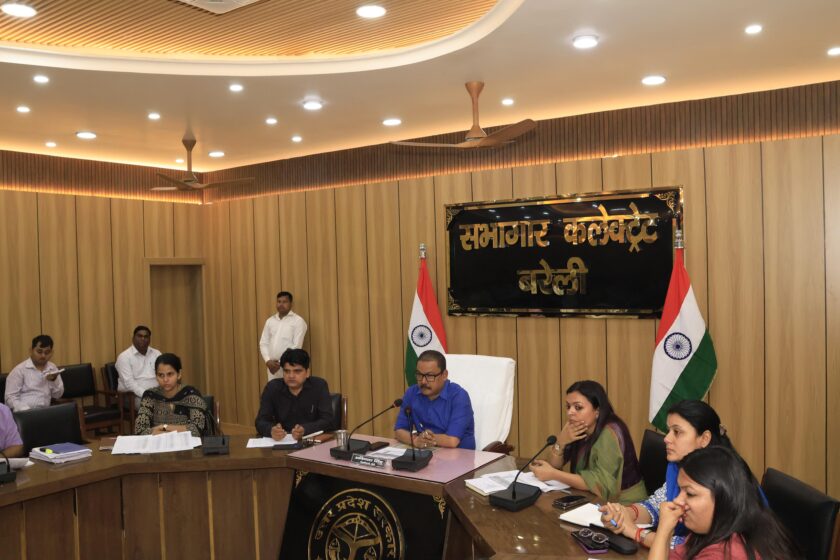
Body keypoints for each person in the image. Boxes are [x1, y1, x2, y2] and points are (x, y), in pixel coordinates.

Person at [599, 400, 737, 548]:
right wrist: (624, 514)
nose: (666, 439)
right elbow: (658, 505)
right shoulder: (677, 466)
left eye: (677, 432)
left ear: (704, 439)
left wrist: (635, 532)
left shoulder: (722, 480)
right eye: (668, 431)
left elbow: (694, 548)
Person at [649, 446, 801, 560]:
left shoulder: (727, 553)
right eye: (680, 490)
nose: (677, 500)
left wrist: (663, 532)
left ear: (724, 498)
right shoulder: (714, 530)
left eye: (690, 493)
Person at [530, 380, 646, 503]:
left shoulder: (610, 433)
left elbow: (602, 484)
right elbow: (554, 465)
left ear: (597, 411)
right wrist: (561, 442)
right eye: (568, 406)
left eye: (578, 407)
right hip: (593, 497)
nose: (570, 412)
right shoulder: (578, 428)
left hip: (626, 504)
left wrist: (554, 474)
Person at [394, 350, 475, 450]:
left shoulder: (459, 396)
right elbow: (399, 430)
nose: (423, 381)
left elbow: (452, 441)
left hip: (459, 455)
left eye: (429, 376)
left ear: (444, 375)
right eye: (419, 375)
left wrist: (424, 438)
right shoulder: (412, 393)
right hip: (426, 452)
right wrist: (415, 440)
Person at [255, 348, 333, 441]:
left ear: (307, 373)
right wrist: (271, 430)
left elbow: (328, 421)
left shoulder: (319, 386)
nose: (291, 376)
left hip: (311, 442)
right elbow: (260, 421)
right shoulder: (273, 388)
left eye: (297, 371)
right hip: (282, 442)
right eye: (287, 371)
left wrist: (305, 429)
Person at [134, 353, 207, 437]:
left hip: (186, 444)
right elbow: (140, 430)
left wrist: (164, 427)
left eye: (170, 374)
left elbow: (197, 430)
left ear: (179, 374)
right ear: (156, 376)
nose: (165, 379)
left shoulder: (191, 394)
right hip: (158, 444)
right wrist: (178, 431)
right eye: (161, 375)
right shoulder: (150, 396)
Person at [4, 334, 64, 411]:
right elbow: (9, 398)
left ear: (52, 352)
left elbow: (57, 395)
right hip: (24, 413)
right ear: (31, 350)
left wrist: (53, 381)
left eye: (47, 352)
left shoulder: (52, 368)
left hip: (46, 411)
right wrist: (25, 410)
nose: (43, 356)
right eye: (39, 351)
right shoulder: (19, 370)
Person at [259, 291, 308, 382]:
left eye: (285, 302)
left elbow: (297, 346)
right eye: (279, 301)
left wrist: (280, 363)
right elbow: (263, 343)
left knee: (288, 390)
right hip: (271, 367)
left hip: (290, 366)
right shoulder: (270, 321)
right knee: (273, 389)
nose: (281, 304)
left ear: (291, 304)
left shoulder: (298, 321)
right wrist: (268, 361)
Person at [115, 325, 162, 408]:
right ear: (133, 338)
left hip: (157, 393)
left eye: (146, 336)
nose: (143, 339)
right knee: (159, 406)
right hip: (133, 396)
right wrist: (148, 394)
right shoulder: (124, 357)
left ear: (149, 339)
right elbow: (129, 384)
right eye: (139, 336)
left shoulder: (156, 353)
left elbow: (163, 375)